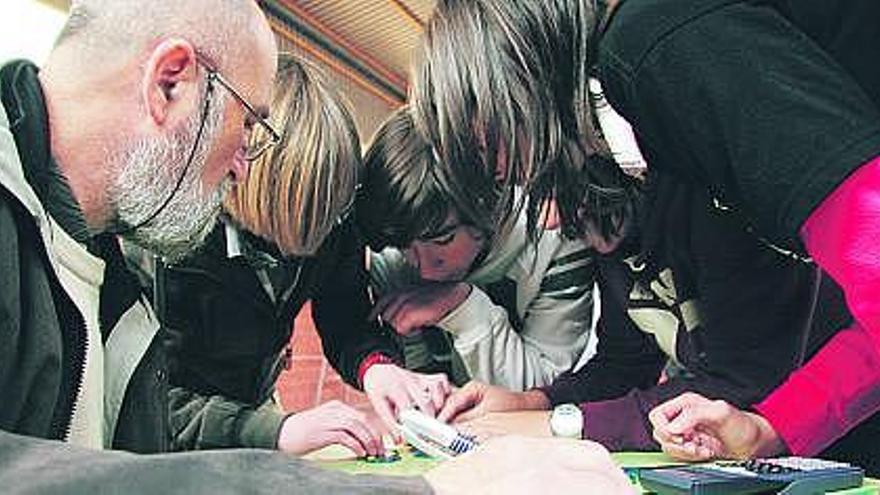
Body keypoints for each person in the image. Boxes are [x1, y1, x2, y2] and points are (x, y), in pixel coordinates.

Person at [0, 1, 627, 492]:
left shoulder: (102, 234)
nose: (243, 164)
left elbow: (130, 436)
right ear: (171, 84)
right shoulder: (155, 234)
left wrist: (374, 367)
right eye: (249, 126)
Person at [410, 0, 880, 474]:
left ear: (506, 84)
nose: (496, 169)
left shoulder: (658, 45)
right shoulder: (648, 119)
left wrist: (556, 424)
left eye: (481, 145)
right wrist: (773, 426)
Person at [159, 53, 450, 456]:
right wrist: (272, 431)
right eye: (305, 221)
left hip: (255, 410)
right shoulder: (175, 247)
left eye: (333, 216)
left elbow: (343, 312)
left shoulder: (334, 221)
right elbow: (147, 405)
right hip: (178, 440)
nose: (320, 243)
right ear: (250, 178)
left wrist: (376, 367)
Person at [359, 107, 596, 391]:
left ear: (487, 205)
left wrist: (464, 310)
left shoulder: (555, 235)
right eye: (405, 247)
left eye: (442, 240)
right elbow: (418, 376)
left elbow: (544, 390)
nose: (423, 268)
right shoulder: (392, 251)